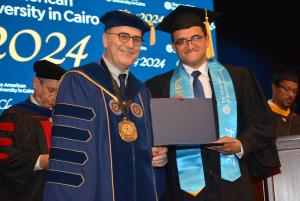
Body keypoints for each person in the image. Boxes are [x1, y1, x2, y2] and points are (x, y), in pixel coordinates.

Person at [146, 5, 280, 201]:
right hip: (183, 191)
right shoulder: (157, 87)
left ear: (207, 39)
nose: (189, 45)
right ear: (174, 47)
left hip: (234, 187)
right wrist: (158, 153)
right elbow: (150, 137)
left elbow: (265, 124)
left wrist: (241, 144)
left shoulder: (239, 78)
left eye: (195, 38)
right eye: (181, 41)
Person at [42, 10, 167, 201]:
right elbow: (71, 153)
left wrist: (158, 158)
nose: (130, 44)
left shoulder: (142, 92)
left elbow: (148, 149)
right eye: (123, 36)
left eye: (137, 39)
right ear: (105, 40)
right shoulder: (79, 81)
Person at [0, 60, 66, 201]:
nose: (55, 97)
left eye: (59, 91)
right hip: (26, 194)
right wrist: (40, 161)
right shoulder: (13, 116)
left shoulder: (64, 118)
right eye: (51, 90)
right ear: (36, 83)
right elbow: (4, 159)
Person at [268, 65, 300, 136]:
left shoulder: (297, 120)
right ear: (274, 87)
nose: (291, 95)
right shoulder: (260, 115)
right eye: (287, 89)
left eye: (295, 91)